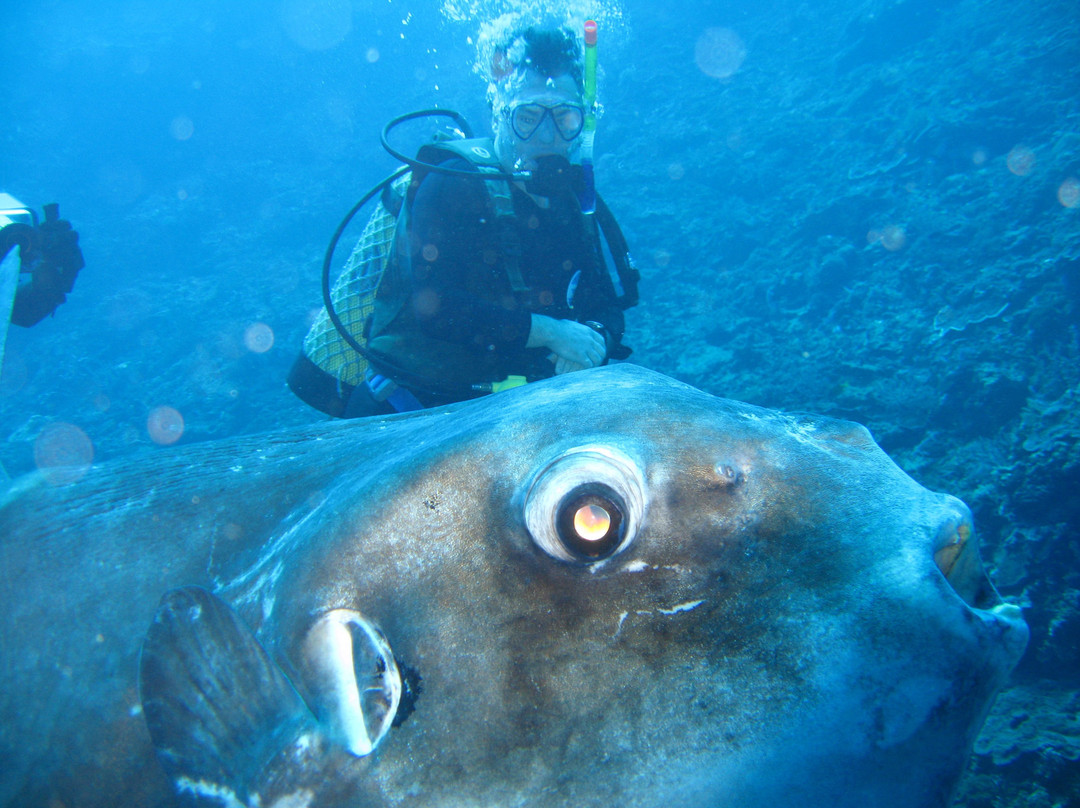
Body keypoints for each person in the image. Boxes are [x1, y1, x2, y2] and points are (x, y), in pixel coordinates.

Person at [288, 21, 636, 417]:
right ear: (498, 113)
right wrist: (554, 333)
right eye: (528, 117)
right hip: (411, 414)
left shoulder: (576, 200)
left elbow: (606, 303)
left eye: (565, 118)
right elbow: (436, 308)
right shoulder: (453, 183)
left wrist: (592, 339)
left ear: (584, 122)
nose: (546, 135)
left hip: (508, 419)